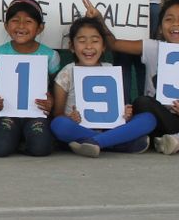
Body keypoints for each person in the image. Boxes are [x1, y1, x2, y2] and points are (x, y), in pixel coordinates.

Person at [85, 0, 179, 155]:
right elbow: (113, 44)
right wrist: (99, 19)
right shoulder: (153, 47)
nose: (176, 24)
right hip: (161, 118)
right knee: (142, 103)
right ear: (159, 28)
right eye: (169, 19)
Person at [50, 17, 156, 157]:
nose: (88, 47)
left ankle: (94, 143)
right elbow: (57, 114)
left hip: (109, 128)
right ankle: (118, 143)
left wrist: (125, 113)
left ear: (104, 46)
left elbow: (117, 110)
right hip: (79, 129)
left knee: (149, 119)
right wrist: (70, 117)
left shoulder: (110, 69)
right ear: (71, 46)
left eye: (95, 41)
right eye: (82, 41)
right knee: (59, 124)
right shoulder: (67, 73)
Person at [0, 0, 60, 157]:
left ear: (40, 28)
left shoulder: (50, 55)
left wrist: (51, 100)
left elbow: (55, 87)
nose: (21, 26)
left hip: (36, 113)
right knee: (0, 149)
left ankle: (22, 142)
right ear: (6, 25)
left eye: (29, 22)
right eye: (15, 21)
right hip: (8, 113)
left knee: (41, 149)